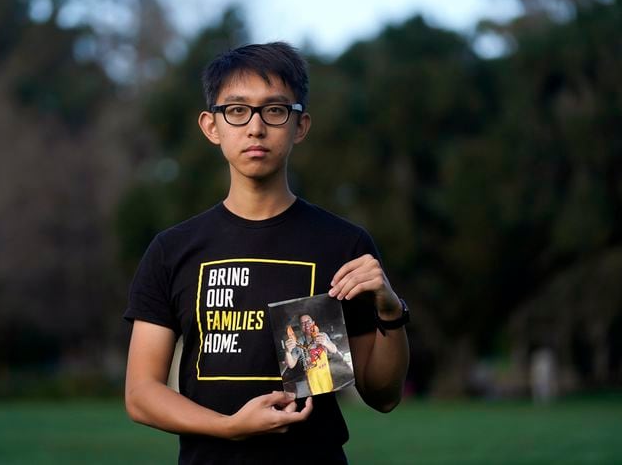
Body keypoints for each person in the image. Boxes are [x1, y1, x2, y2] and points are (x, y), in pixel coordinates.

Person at [124, 42, 410, 464]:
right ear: (211, 126)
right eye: (237, 110)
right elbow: (140, 394)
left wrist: (391, 309)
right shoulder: (174, 249)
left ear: (300, 126)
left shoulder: (341, 244)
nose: (255, 128)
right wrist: (229, 428)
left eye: (274, 110)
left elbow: (382, 397)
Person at [284, 314, 339, 395]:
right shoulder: (299, 342)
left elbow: (334, 350)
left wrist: (326, 343)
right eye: (303, 323)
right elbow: (291, 364)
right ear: (300, 327)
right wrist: (287, 351)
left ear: (313, 322)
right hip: (312, 380)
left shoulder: (322, 335)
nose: (306, 325)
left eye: (308, 321)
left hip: (326, 375)